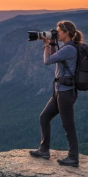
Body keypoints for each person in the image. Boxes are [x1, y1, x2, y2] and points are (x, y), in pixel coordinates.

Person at [29, 20, 83, 167]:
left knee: (68, 126)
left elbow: (47, 61)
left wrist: (46, 44)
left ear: (66, 32)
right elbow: (54, 58)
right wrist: (52, 43)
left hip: (66, 93)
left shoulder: (69, 49)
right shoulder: (66, 47)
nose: (56, 33)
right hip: (60, 91)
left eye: (58, 31)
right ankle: (44, 150)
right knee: (44, 117)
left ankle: (73, 158)